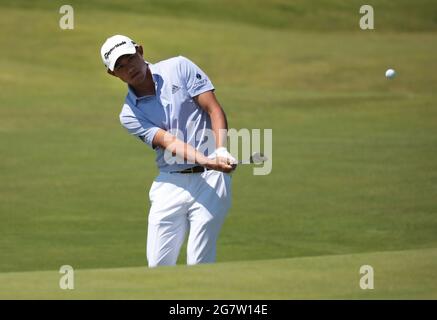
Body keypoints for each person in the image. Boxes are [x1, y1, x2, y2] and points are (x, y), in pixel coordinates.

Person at [100, 35, 236, 267]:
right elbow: (171, 142)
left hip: (211, 180)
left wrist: (220, 150)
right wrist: (208, 160)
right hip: (170, 183)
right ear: (113, 74)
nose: (128, 68)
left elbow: (213, 108)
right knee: (157, 266)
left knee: (199, 260)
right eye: (120, 66)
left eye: (130, 58)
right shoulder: (129, 114)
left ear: (140, 51)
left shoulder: (179, 67)